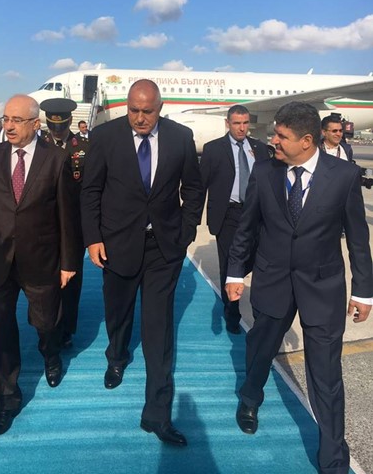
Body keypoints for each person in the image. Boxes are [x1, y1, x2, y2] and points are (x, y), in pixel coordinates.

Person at [226, 101, 373, 474]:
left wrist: (363, 291)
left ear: (307, 141)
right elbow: (246, 228)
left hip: (322, 288)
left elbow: (358, 238)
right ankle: (250, 397)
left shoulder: (344, 176)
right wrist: (234, 273)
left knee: (326, 375)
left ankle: (333, 459)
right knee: (260, 350)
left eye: (281, 136)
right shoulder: (264, 172)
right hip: (272, 280)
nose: (273, 140)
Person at [81, 79, 204, 447]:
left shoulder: (181, 137)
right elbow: (90, 190)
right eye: (133, 110)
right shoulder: (105, 137)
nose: (139, 118)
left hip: (163, 248)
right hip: (117, 244)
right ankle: (116, 355)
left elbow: (193, 188)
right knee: (117, 312)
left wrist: (186, 231)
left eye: (147, 111)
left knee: (158, 328)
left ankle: (157, 413)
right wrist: (93, 238)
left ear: (160, 108)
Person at [0, 94, 82, 438]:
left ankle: (50, 354)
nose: (9, 126)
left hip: (42, 259)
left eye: (17, 120)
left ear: (35, 123)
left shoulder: (56, 160)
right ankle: (6, 399)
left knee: (46, 322)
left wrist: (68, 262)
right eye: (6, 119)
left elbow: (67, 216)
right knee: (2, 329)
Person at [200, 105, 270, 334]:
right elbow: (201, 185)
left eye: (245, 123)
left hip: (255, 214)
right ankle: (232, 313)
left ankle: (259, 308)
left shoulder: (259, 149)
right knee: (229, 264)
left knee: (259, 261)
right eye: (237, 123)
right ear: (227, 123)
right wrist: (191, 220)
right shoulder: (213, 149)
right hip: (228, 214)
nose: (241, 128)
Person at [39, 98, 84, 348]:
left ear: (69, 122)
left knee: (72, 282)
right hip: (43, 226)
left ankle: (67, 329)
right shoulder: (38, 146)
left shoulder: (84, 147)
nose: (57, 131)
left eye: (62, 126)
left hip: (74, 226)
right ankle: (48, 328)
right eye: (52, 126)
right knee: (45, 282)